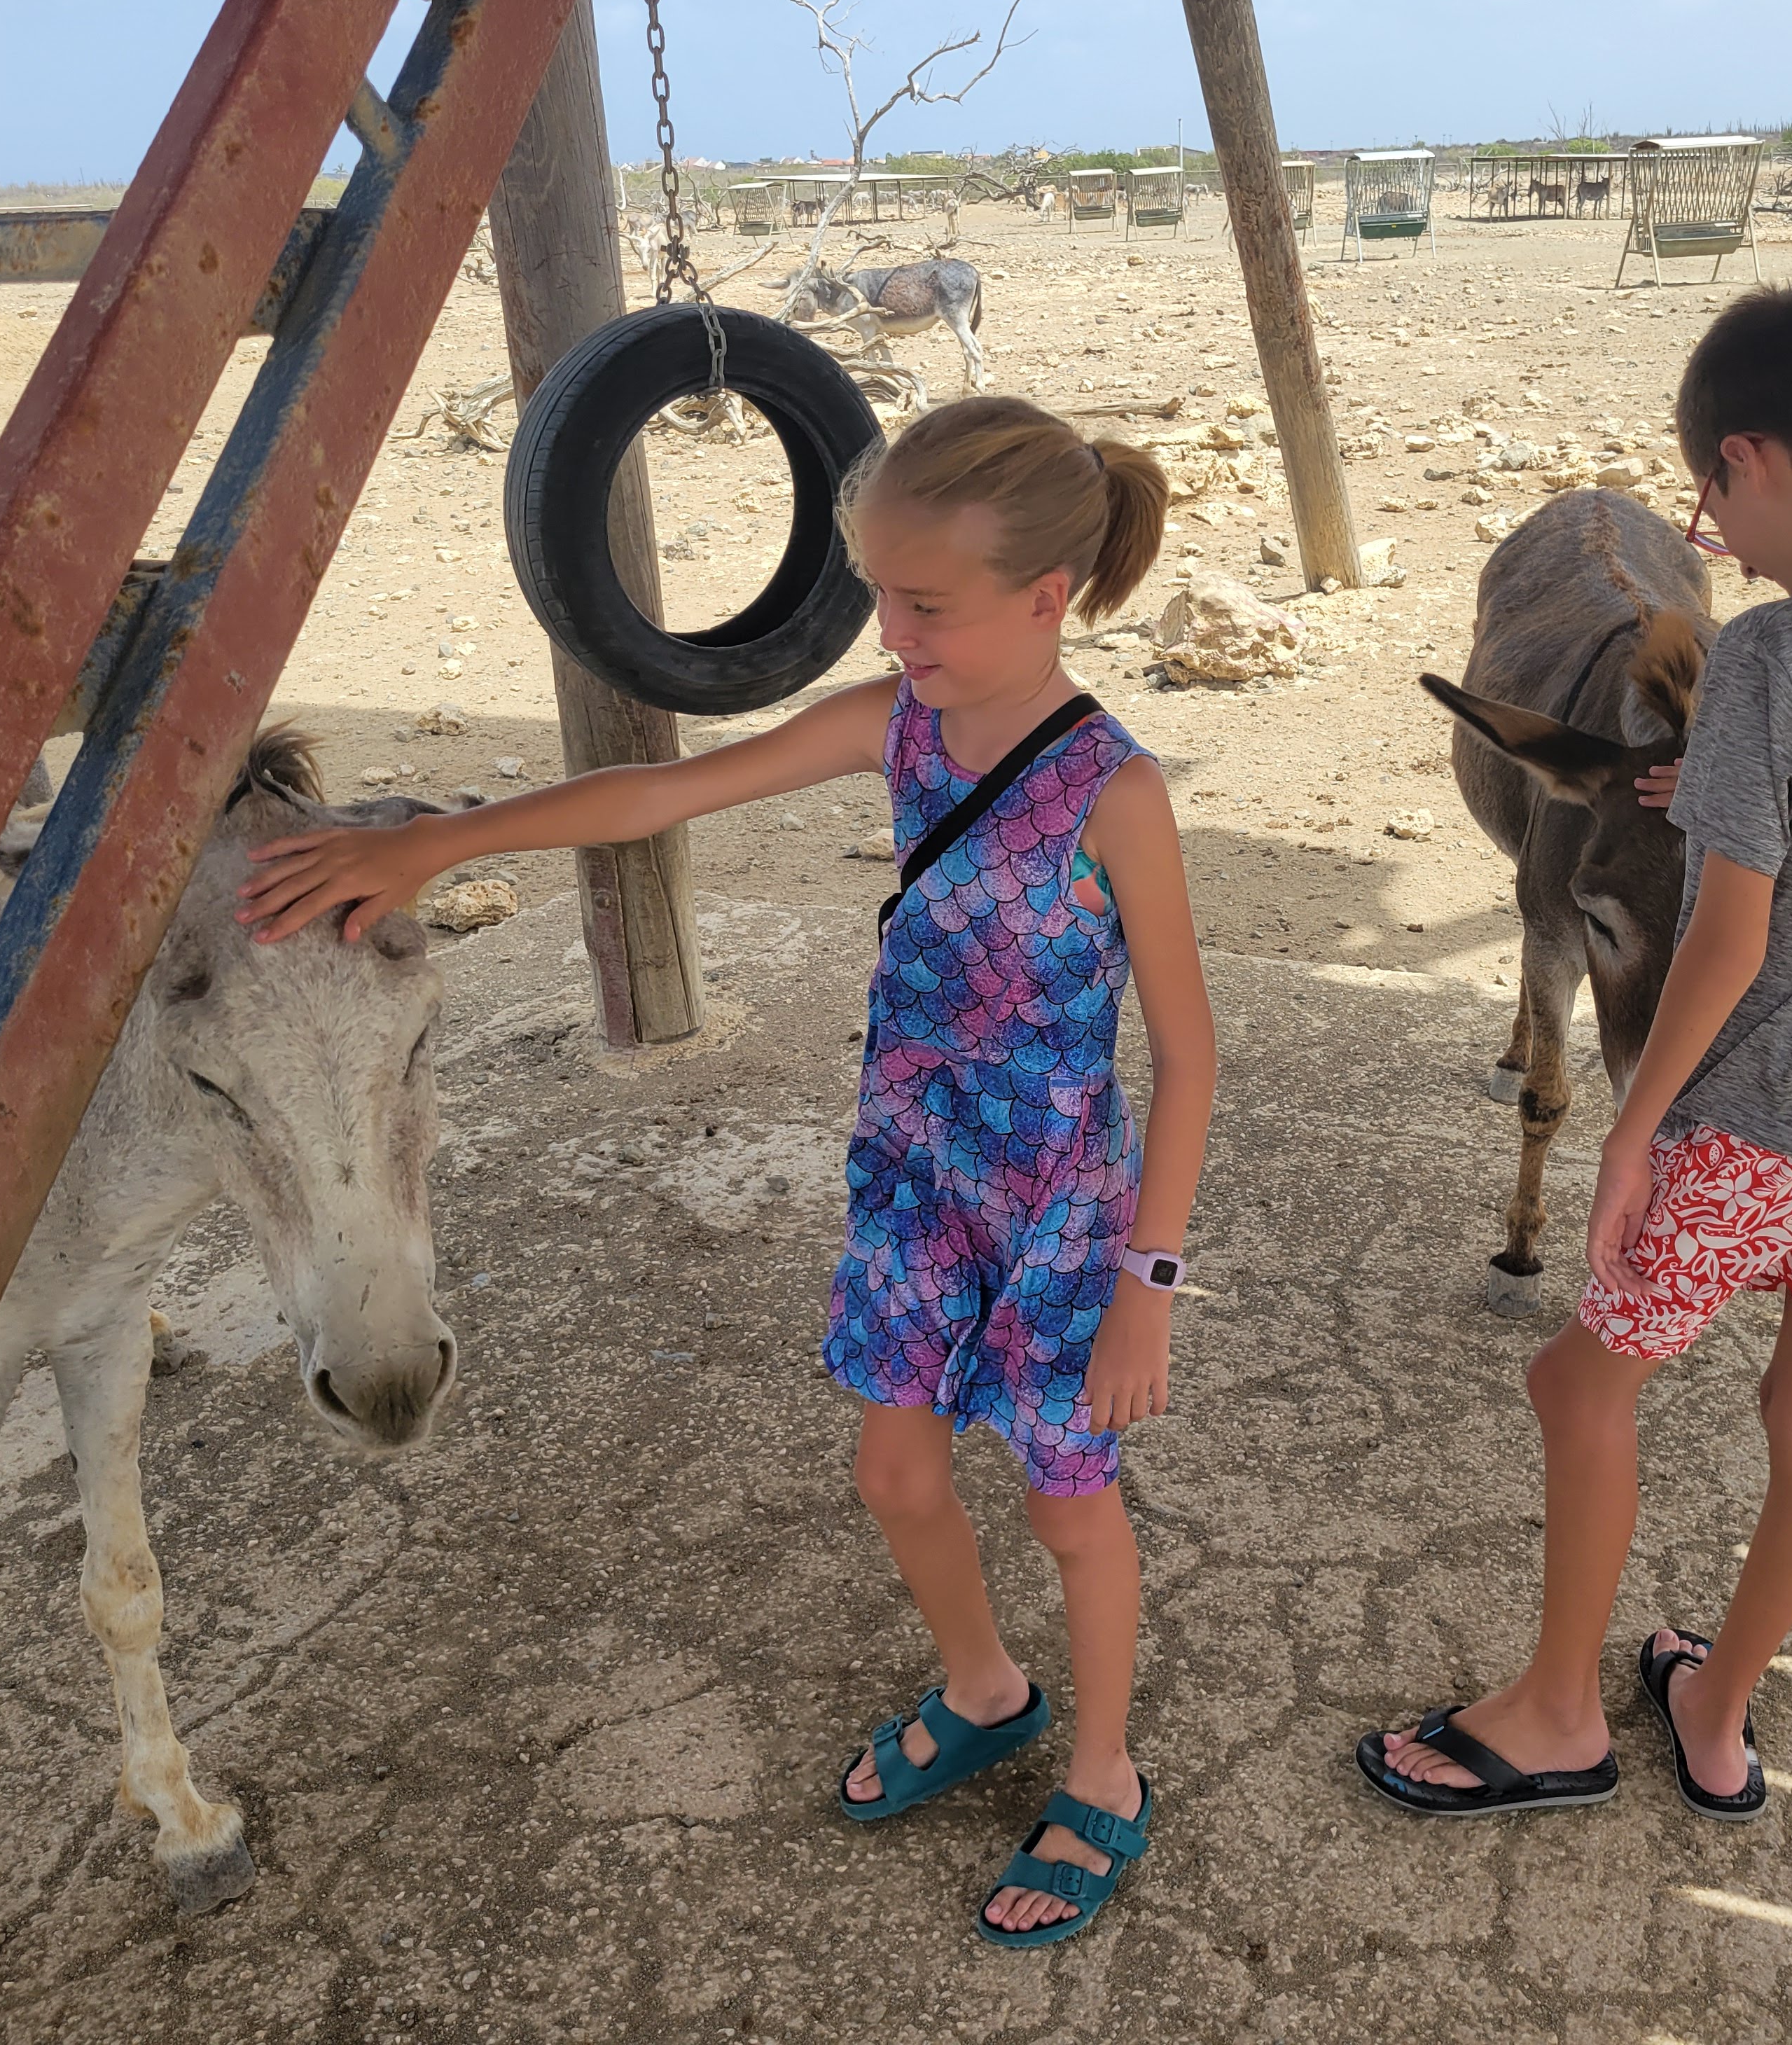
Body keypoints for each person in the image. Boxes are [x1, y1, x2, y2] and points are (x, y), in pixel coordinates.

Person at [235, 395, 1215, 1943]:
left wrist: (1147, 1285)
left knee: (1069, 1510)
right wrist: (443, 841)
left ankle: (1105, 1771)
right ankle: (987, 1689)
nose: (893, 631)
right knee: (892, 1472)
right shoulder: (897, 728)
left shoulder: (1115, 794)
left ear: (1047, 601)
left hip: (1058, 1226)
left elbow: (1194, 1053)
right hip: (912, 1186)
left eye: (926, 605)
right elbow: (661, 793)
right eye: (882, 596)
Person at [1356, 279, 1792, 1822]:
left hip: (1760, 1122)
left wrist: (1633, 1123)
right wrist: (1771, 801)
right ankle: (1716, 1712)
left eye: (1712, 506)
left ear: (1750, 457)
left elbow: (1725, 940)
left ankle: (1553, 1718)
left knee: (1575, 1390)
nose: (1716, 546)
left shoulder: (1775, 663)